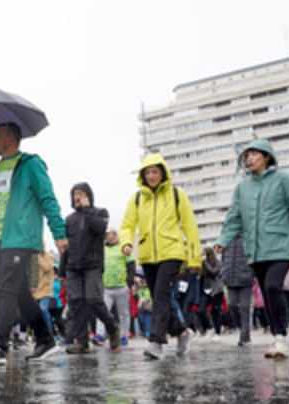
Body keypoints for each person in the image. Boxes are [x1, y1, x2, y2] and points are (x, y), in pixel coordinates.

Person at [215, 139, 289, 359]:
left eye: (254, 154)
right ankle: (276, 336)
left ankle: (281, 338)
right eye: (246, 156)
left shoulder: (285, 180)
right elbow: (234, 217)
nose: (249, 159)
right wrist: (223, 240)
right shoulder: (242, 187)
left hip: (280, 245)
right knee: (267, 293)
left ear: (267, 156)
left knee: (272, 287)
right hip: (254, 250)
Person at [0, 122, 67, 365]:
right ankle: (46, 340)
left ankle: (0, 344)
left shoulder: (29, 164)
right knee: (20, 294)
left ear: (11, 138)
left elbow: (47, 197)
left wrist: (59, 232)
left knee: (6, 287)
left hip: (20, 238)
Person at [119, 154, 202, 360]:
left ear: (163, 172)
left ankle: (156, 341)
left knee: (162, 296)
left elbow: (190, 226)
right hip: (148, 255)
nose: (151, 176)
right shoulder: (137, 198)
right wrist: (126, 242)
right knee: (160, 298)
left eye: (155, 171)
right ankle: (182, 332)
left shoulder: (176, 194)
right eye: (147, 172)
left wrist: (193, 259)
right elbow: (127, 224)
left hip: (172, 252)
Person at [61, 182, 120, 354]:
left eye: (81, 193)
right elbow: (67, 246)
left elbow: (100, 228)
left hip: (92, 265)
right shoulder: (70, 219)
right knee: (76, 302)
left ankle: (112, 326)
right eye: (75, 194)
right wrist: (63, 270)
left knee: (94, 300)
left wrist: (87, 210)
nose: (77, 197)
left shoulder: (100, 213)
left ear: (88, 196)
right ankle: (81, 341)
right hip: (73, 267)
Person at [101, 229, 135, 343]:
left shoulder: (123, 247)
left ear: (114, 234)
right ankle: (101, 335)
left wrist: (129, 282)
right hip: (106, 287)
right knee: (102, 311)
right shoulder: (102, 249)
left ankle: (124, 336)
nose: (106, 235)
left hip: (121, 286)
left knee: (123, 313)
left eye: (108, 233)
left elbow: (131, 265)